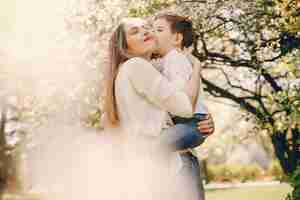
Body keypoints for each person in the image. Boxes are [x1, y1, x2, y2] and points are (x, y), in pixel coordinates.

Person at [103, 17, 211, 199]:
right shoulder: (136, 66)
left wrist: (201, 122)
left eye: (147, 27)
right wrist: (197, 68)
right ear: (124, 46)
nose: (145, 31)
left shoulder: (126, 71)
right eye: (134, 31)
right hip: (173, 167)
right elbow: (184, 106)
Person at [153, 13, 211, 200]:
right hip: (189, 124)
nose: (152, 34)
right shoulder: (167, 60)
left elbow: (182, 97)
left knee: (154, 147)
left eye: (159, 30)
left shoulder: (174, 59)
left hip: (192, 124)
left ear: (177, 38)